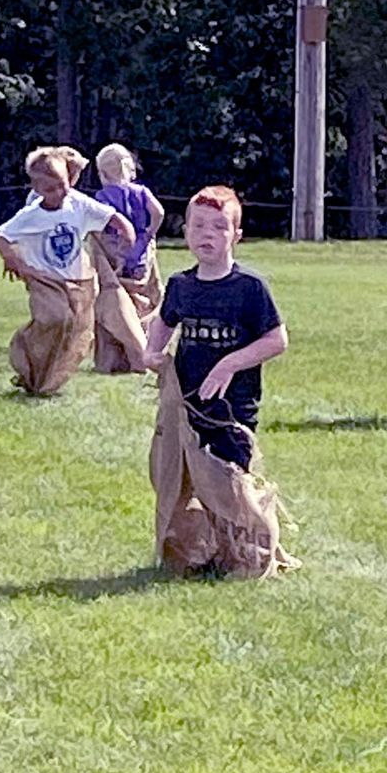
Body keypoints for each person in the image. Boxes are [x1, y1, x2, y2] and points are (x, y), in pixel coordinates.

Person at [142, 186, 296, 576]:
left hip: (232, 409)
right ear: (186, 231)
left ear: (235, 236)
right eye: (198, 226)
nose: (206, 234)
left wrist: (229, 365)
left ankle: (251, 551)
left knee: (230, 483)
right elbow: (164, 321)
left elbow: (277, 340)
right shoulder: (181, 285)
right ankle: (200, 550)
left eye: (218, 227)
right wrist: (151, 352)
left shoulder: (248, 288)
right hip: (189, 408)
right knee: (187, 480)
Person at [0, 146, 135, 394]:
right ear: (36, 189)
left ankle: (43, 380)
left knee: (73, 328)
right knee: (56, 318)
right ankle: (24, 344)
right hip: (42, 277)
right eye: (50, 189)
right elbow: (1, 235)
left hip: (74, 279)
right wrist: (14, 262)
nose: (59, 193)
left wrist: (126, 231)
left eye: (62, 185)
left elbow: (109, 215)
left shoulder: (77, 203)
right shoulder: (32, 214)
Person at [93, 143, 165, 279]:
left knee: (118, 286)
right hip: (140, 245)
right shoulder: (142, 192)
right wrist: (150, 231)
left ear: (102, 173)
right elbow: (159, 212)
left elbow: (101, 221)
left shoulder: (103, 196)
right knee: (142, 283)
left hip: (115, 245)